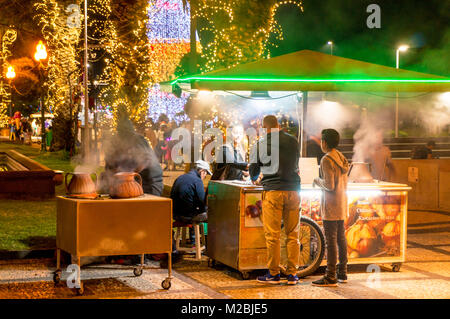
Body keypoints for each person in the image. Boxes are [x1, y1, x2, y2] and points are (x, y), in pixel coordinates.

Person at [249, 115, 301, 285]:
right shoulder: (293, 141)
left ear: (265, 128)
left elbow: (254, 168)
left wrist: (255, 177)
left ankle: (274, 273)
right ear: (278, 125)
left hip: (273, 191)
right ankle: (292, 274)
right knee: (293, 234)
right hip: (293, 191)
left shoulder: (261, 143)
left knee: (273, 235)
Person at [312, 128, 349, 287]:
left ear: (324, 142)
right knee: (341, 239)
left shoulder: (327, 159)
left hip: (331, 205)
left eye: (321, 140)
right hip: (341, 203)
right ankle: (342, 272)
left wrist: (316, 180)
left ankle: (330, 276)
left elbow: (329, 185)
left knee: (331, 241)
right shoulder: (340, 156)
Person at [170, 160, 211, 224]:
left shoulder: (180, 177)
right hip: (187, 216)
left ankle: (193, 232)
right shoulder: (197, 181)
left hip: (174, 214)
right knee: (212, 215)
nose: (205, 176)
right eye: (206, 173)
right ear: (202, 171)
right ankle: (195, 233)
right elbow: (202, 202)